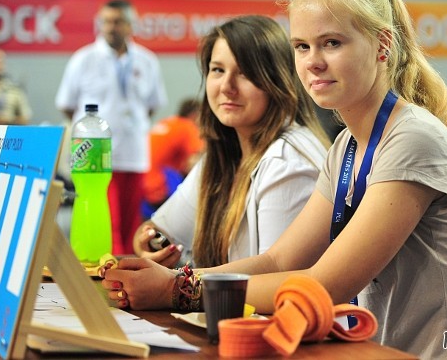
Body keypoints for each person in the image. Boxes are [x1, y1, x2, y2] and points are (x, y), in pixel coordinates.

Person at [101, 0, 447, 359]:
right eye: (302, 47)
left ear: (382, 45)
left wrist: (179, 290)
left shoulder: (414, 138)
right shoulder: (346, 146)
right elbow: (280, 259)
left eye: (331, 43)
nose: (312, 62)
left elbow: (325, 285)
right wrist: (175, 277)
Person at [131, 15, 330, 268]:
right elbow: (156, 229)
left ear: (277, 81)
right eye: (218, 70)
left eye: (244, 73)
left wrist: (178, 284)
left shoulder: (288, 161)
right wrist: (149, 244)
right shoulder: (224, 154)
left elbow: (275, 277)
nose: (226, 86)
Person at [55, 0, 167, 255]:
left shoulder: (147, 61)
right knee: (105, 222)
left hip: (134, 153)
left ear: (130, 25)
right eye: (105, 22)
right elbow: (67, 106)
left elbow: (152, 105)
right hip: (96, 157)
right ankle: (106, 271)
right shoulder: (83, 59)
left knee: (130, 226)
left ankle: (127, 271)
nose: (109, 27)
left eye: (116, 22)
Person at [142, 98, 204, 219]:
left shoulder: (166, 122)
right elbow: (197, 161)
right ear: (195, 115)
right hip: (160, 190)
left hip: (141, 189)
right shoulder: (187, 126)